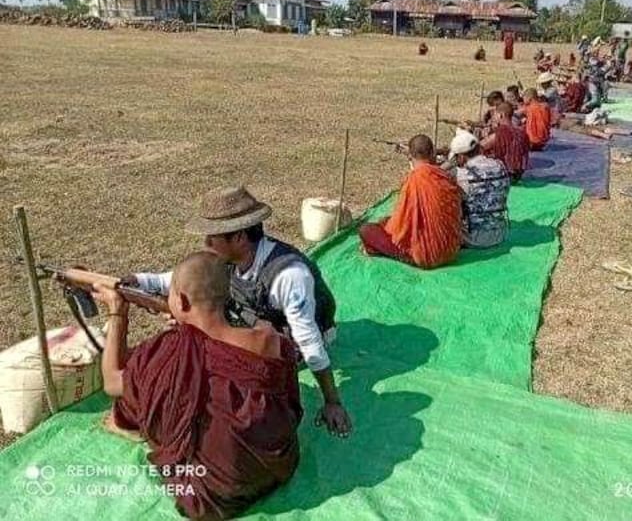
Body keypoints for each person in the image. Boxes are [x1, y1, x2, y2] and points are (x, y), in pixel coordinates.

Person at [129, 186, 351, 437]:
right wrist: (135, 281)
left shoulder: (290, 276)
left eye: (213, 237)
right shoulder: (226, 260)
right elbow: (177, 280)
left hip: (291, 337)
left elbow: (309, 342)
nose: (206, 243)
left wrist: (332, 401)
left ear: (239, 238)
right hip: (253, 323)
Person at [99, 251, 302, 520]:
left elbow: (112, 382)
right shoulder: (269, 340)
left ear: (181, 301)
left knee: (134, 391)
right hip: (276, 468)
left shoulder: (166, 351)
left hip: (214, 493)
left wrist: (117, 314)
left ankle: (128, 427)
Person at [359, 135, 462, 268]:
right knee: (386, 221)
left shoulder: (413, 181)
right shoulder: (445, 177)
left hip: (425, 256)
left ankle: (404, 257)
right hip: (451, 251)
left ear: (410, 156)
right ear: (433, 153)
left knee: (366, 230)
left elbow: (402, 223)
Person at [448, 129, 511, 249]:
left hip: (473, 239)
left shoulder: (460, 175)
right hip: (500, 234)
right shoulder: (500, 165)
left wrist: (449, 164)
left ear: (460, 156)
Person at [481, 102, 530, 182]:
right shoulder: (522, 133)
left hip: (503, 176)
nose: (493, 117)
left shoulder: (500, 133)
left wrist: (484, 137)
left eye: (495, 115)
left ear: (501, 115)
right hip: (518, 175)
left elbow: (479, 147)